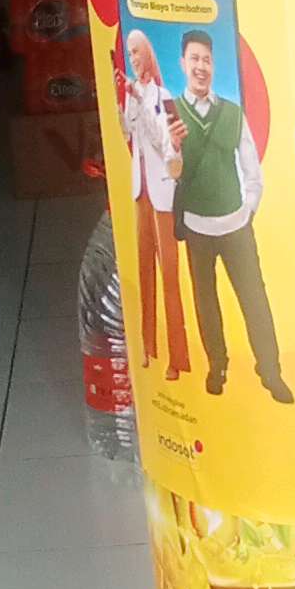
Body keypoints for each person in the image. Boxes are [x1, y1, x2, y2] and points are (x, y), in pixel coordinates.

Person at [169, 29, 292, 402]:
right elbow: (167, 172)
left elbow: (252, 168)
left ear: (213, 65)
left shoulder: (233, 113)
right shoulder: (172, 115)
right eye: (194, 58)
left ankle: (270, 371)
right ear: (183, 63)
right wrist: (173, 147)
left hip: (236, 223)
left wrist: (247, 209)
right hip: (197, 224)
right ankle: (217, 365)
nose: (201, 66)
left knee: (254, 298)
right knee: (206, 300)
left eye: (207, 59)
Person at [120, 29, 190, 377]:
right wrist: (124, 102)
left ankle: (178, 359)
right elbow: (127, 134)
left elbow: (166, 146)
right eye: (130, 53)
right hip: (140, 192)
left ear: (148, 53)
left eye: (137, 52)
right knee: (143, 269)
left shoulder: (164, 97)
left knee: (169, 275)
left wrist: (139, 101)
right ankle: (148, 347)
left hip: (163, 194)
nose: (134, 58)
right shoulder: (133, 94)